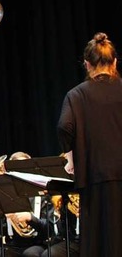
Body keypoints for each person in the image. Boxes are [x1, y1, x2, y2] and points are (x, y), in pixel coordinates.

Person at [57, 32, 122, 256]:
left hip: (94, 179)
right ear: (115, 62)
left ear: (86, 64)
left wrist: (70, 158)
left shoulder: (76, 95)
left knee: (98, 242)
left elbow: (64, 126)